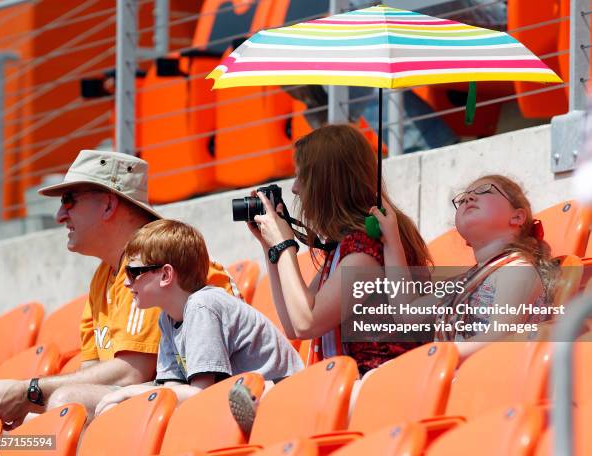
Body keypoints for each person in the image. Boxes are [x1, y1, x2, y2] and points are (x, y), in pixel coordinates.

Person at [0, 150, 238, 426]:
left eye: (69, 200)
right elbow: (93, 370)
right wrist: (26, 402)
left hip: (210, 403)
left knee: (65, 403)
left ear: (107, 205)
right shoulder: (105, 273)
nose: (59, 215)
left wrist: (29, 391)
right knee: (20, 424)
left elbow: (132, 372)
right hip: (166, 398)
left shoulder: (153, 263)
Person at [248, 124, 432, 372]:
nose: (294, 188)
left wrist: (284, 245)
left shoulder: (367, 250)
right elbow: (294, 323)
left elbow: (307, 323)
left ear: (325, 185)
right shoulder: (346, 246)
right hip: (350, 383)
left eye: (301, 177)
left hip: (377, 387)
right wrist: (270, 248)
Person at [93, 219, 303, 416]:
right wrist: (122, 398)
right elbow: (172, 388)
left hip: (282, 396)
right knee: (118, 408)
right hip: (235, 398)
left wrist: (129, 392)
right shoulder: (166, 318)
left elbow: (201, 393)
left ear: (166, 275)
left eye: (133, 272)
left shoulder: (201, 306)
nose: (126, 283)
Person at [371, 174, 557, 356]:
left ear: (517, 217)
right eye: (462, 200)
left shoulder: (518, 269)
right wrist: (391, 239)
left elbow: (500, 336)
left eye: (485, 191)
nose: (469, 197)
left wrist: (433, 359)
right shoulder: (466, 281)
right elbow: (407, 315)